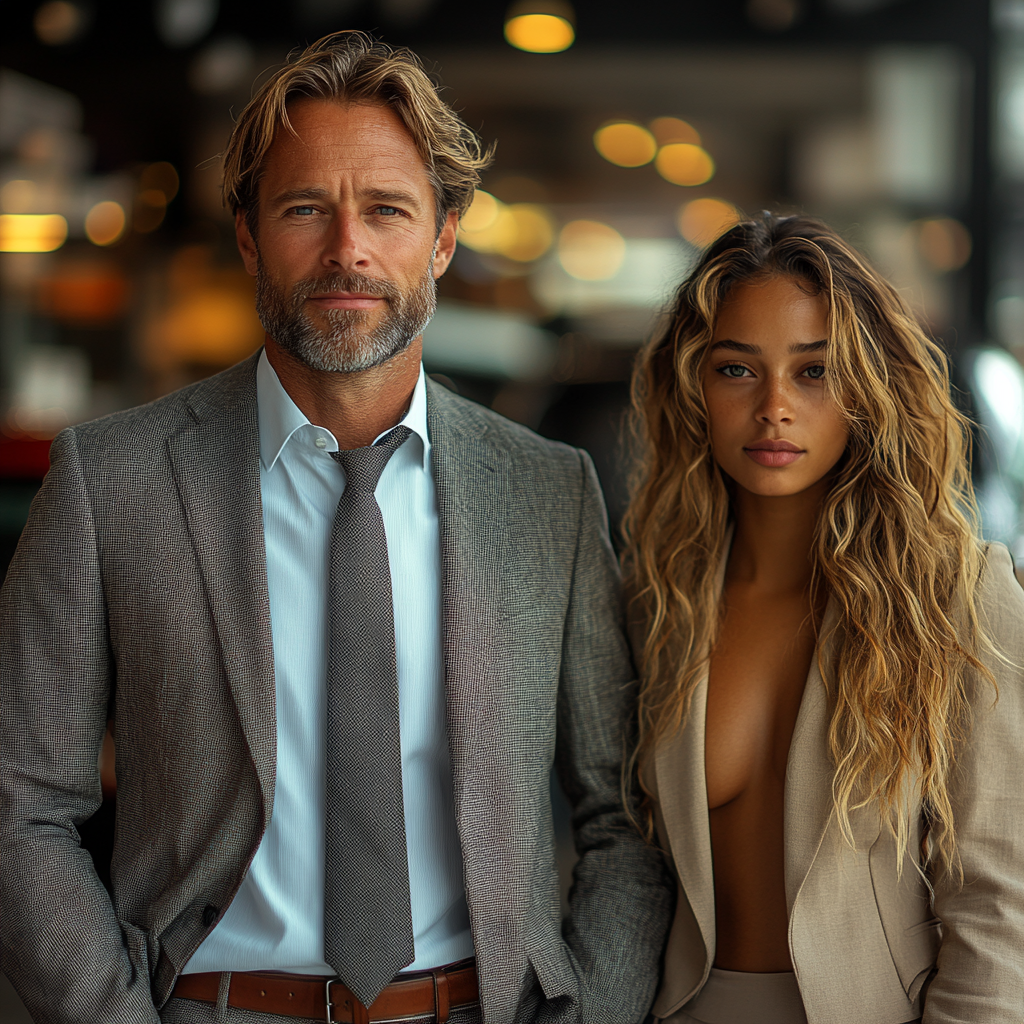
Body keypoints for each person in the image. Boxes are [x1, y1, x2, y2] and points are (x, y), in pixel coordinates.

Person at [0, 31, 672, 1024]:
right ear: (247, 234)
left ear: (442, 237)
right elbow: (22, 802)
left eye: (387, 210)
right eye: (304, 208)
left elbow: (623, 814)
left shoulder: (548, 493)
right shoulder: (112, 482)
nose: (347, 249)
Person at [622, 213, 1024, 1024]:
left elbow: (1001, 910)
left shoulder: (960, 600)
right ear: (695, 386)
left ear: (870, 388)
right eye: (738, 370)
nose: (774, 407)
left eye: (815, 372)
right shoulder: (655, 600)